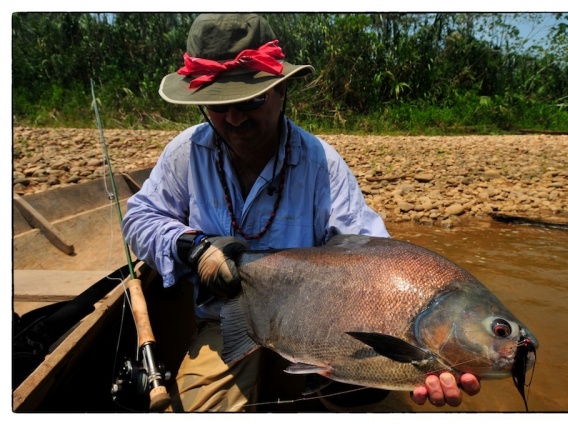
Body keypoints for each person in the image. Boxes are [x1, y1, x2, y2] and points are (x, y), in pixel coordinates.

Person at [122, 13, 480, 412]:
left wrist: (424, 348)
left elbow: (372, 254)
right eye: (217, 106)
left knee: (385, 402)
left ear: (281, 91)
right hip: (224, 320)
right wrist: (193, 248)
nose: (235, 118)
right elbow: (140, 218)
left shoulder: (321, 164)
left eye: (250, 101)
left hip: (317, 323)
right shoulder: (186, 153)